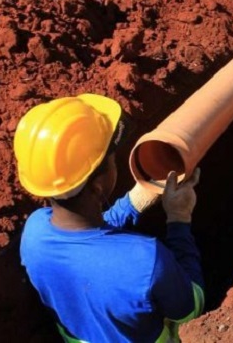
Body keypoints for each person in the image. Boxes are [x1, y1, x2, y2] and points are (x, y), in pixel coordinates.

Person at [14, 94, 204, 343]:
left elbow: (92, 236)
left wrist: (137, 198)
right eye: (112, 161)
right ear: (98, 187)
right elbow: (191, 309)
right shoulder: (146, 260)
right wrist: (179, 219)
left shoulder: (35, 231)